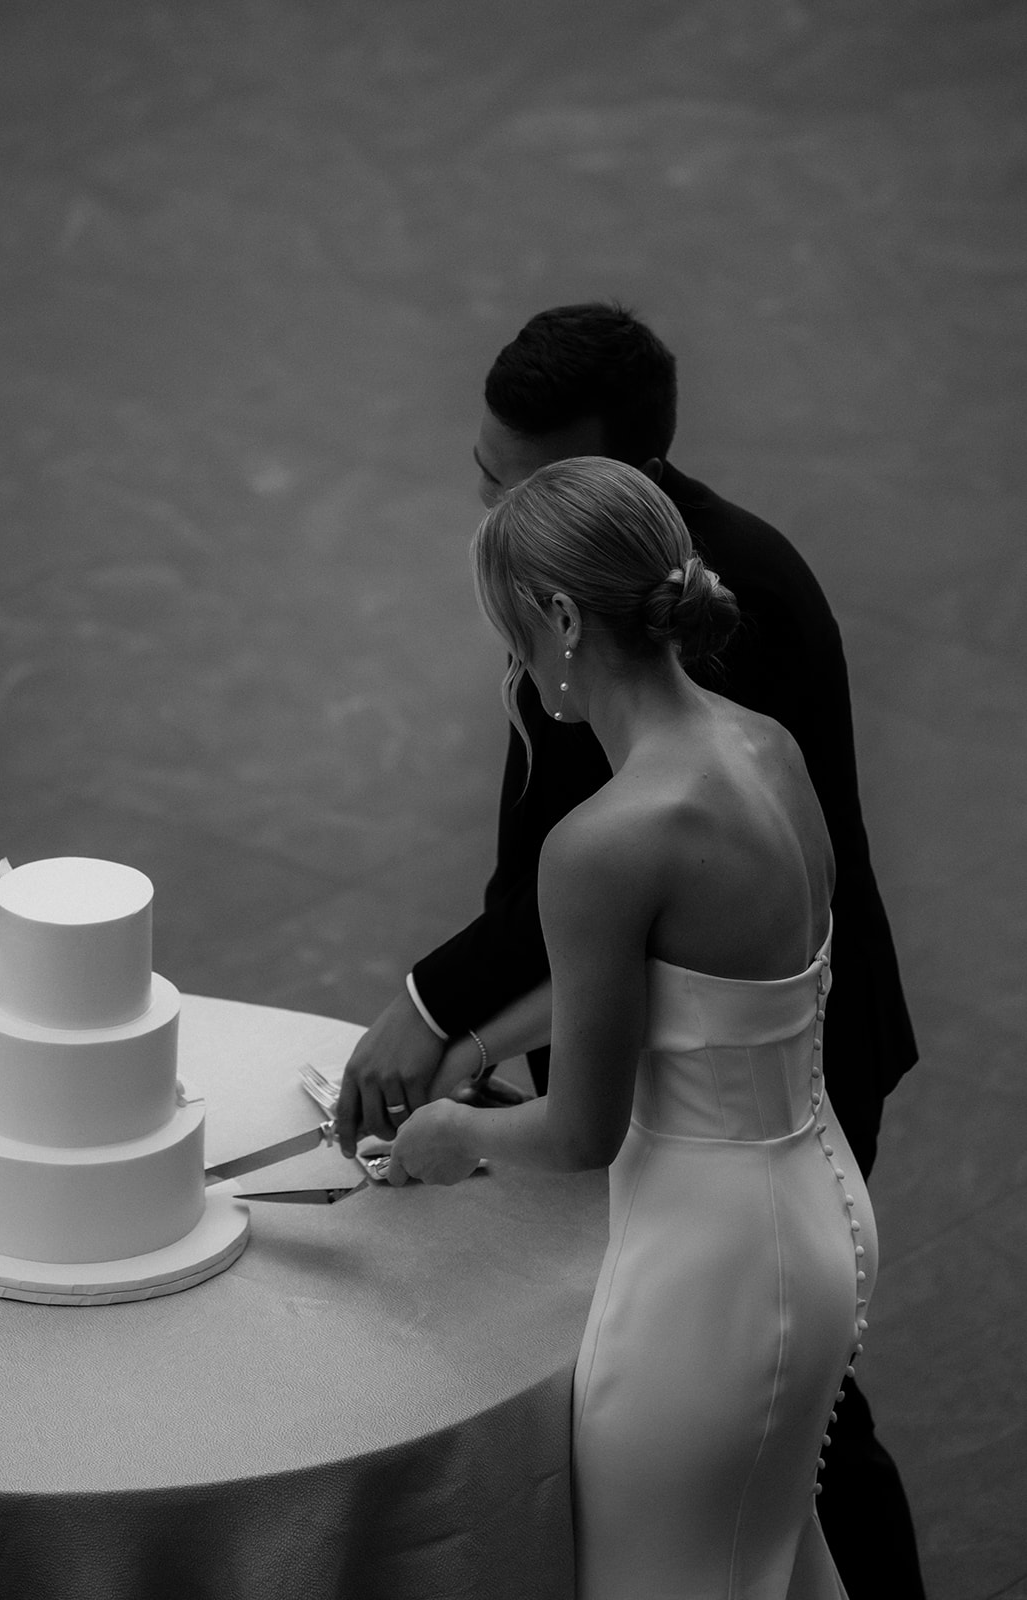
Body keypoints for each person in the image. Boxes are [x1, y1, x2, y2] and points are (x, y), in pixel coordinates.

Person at [336, 303, 923, 1596]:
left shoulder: (606, 841)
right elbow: (703, 983)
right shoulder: (753, 745)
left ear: (557, 623)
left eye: (510, 637)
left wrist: (454, 1134)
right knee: (778, 1559)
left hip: (712, 1267)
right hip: (815, 1204)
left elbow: (585, 1133)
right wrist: (477, 1036)